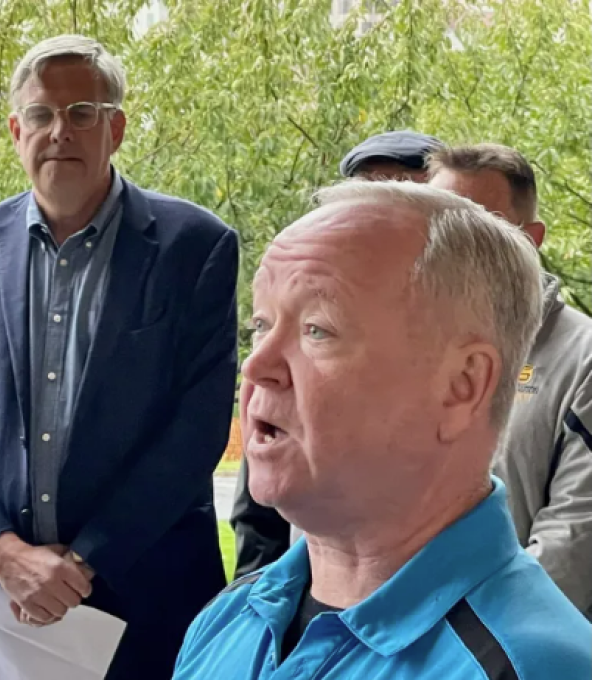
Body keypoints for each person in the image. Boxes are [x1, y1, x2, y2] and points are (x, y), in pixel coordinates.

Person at [0, 34, 238, 680]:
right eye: (40, 114)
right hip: (5, 609)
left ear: (114, 128)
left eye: (81, 113)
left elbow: (195, 434)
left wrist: (79, 566)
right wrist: (2, 552)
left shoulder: (195, 247)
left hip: (149, 604)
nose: (59, 131)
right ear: (15, 130)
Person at [173, 182, 592, 679]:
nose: (256, 364)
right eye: (261, 326)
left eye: (317, 329)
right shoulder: (228, 619)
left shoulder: (533, 667)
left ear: (461, 386)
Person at [231, 129, 445, 578]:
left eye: (399, 195)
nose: (259, 365)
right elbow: (259, 515)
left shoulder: (456, 338)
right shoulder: (297, 301)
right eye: (363, 198)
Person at [428, 143, 592, 618]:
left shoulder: (581, 359)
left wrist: (467, 640)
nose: (454, 250)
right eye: (439, 226)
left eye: (481, 230)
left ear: (532, 238)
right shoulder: (398, 351)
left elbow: (572, 544)